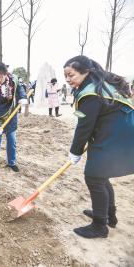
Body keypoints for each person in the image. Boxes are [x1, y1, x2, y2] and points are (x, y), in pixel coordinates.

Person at [64, 55, 134, 238]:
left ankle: (99, 225)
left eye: (71, 75)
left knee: (94, 177)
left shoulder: (91, 92)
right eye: (66, 76)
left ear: (85, 71)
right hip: (120, 133)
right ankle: (108, 216)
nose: (68, 79)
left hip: (116, 136)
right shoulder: (98, 85)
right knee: (101, 176)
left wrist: (75, 151)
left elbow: (84, 126)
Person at [0, 62, 28, 180]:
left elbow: (20, 89)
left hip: (10, 116)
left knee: (12, 141)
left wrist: (23, 97)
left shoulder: (13, 81)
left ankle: (11, 163)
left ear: (5, 74)